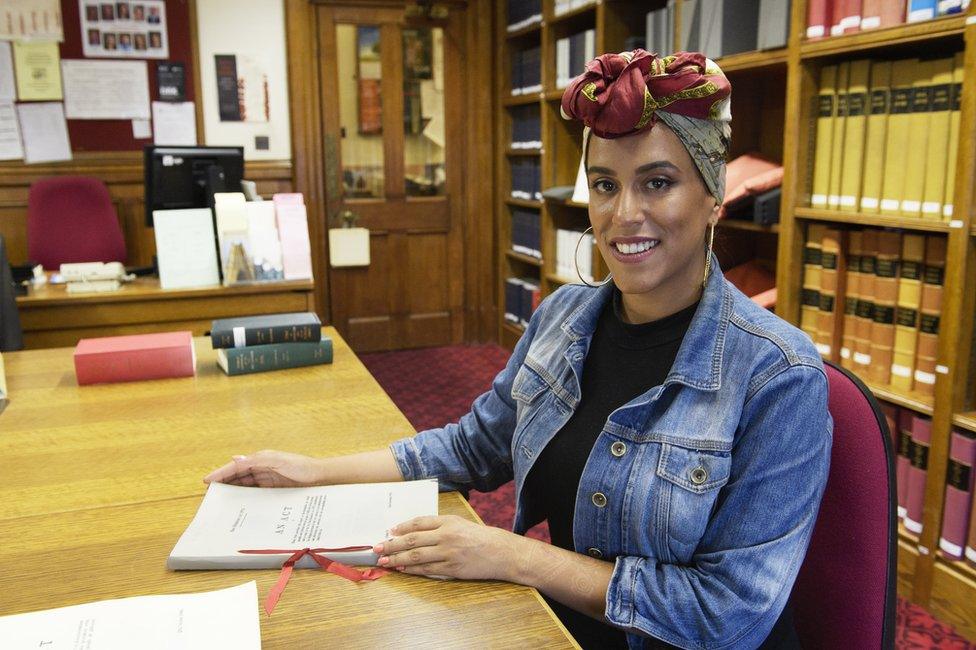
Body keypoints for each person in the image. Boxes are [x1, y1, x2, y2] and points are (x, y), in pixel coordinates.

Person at [204, 50, 832, 649]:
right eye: (606, 185)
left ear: (713, 196)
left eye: (658, 183)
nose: (623, 213)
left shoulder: (778, 376)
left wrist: (515, 556)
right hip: (549, 626)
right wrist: (314, 471)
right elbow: (473, 446)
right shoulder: (562, 318)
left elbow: (727, 616)